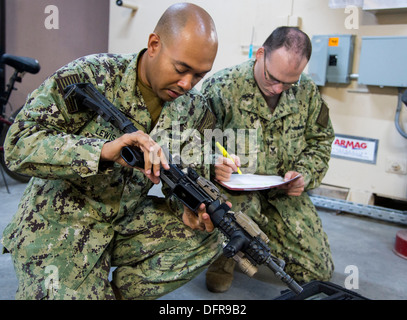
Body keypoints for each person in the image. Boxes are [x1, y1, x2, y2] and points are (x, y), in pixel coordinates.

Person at [1, 3, 225, 300]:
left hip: (125, 218)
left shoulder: (193, 108)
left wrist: (188, 208)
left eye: (199, 76)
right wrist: (102, 151)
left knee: (213, 235)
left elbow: (183, 170)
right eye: (181, 69)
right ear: (154, 44)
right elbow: (18, 143)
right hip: (59, 222)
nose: (187, 84)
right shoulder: (90, 75)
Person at [202, 26, 335, 293]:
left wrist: (304, 174)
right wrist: (213, 163)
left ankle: (257, 244)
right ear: (260, 54)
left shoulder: (306, 91)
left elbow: (321, 140)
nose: (277, 88)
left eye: (288, 82)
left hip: (282, 194)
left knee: (318, 271)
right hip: (233, 195)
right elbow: (192, 142)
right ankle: (222, 257)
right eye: (272, 77)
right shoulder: (222, 87)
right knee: (233, 220)